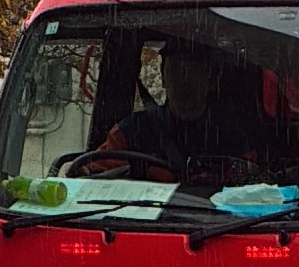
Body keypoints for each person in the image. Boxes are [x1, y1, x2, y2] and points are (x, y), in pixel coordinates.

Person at [92, 40, 260, 179]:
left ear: (212, 80)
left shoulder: (232, 135)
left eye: (193, 70)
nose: (183, 80)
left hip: (218, 219)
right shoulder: (130, 132)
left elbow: (251, 187)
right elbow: (91, 177)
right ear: (163, 78)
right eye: (175, 69)